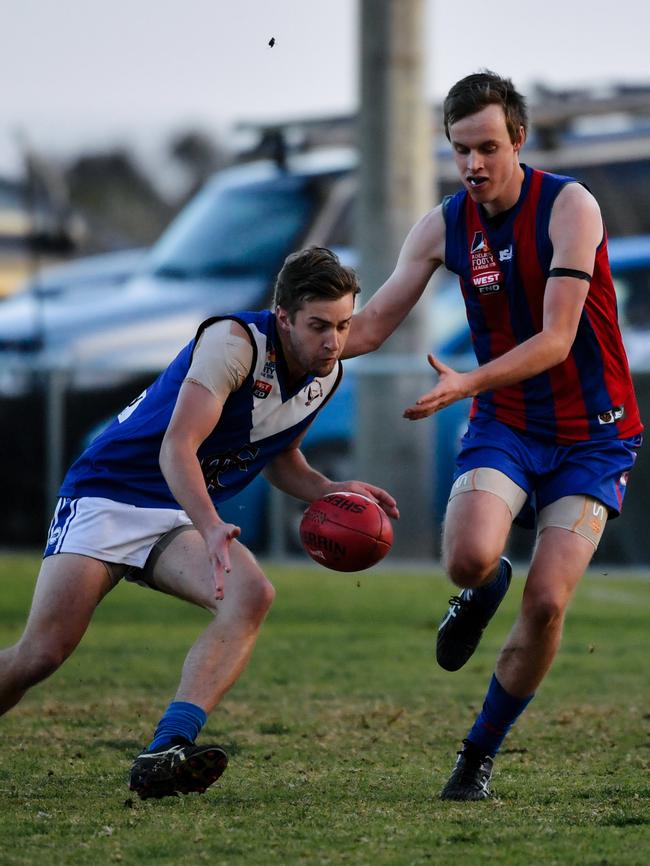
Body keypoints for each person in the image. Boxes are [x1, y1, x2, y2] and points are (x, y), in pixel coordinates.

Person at [0, 246, 398, 800]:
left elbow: (278, 457)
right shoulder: (232, 345)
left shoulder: (320, 372)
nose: (334, 341)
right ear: (282, 316)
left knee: (251, 594)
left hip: (174, 512)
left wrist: (331, 490)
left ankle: (167, 748)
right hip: (109, 495)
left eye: (343, 325)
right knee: (40, 654)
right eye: (319, 326)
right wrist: (211, 526)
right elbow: (176, 448)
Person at [344, 71, 643, 800]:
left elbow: (557, 338)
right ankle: (482, 588)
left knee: (547, 604)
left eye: (486, 147)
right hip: (509, 424)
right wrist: (291, 344)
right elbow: (375, 322)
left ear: (518, 139)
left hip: (593, 438)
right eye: (459, 151)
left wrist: (468, 382)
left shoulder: (570, 206)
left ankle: (476, 756)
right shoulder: (444, 224)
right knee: (470, 559)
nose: (473, 165)